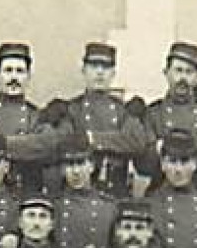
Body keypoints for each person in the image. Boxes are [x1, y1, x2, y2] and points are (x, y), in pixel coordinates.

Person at [46, 41, 149, 197]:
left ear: (113, 73)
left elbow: (137, 141)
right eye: (94, 66)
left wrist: (91, 139)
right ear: (83, 70)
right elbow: (64, 142)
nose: (100, 72)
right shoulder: (72, 110)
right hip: (77, 194)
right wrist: (116, 142)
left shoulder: (124, 111)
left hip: (115, 192)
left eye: (106, 67)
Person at [138, 42, 197, 195]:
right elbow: (143, 163)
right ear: (166, 73)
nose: (183, 78)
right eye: (178, 71)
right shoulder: (153, 113)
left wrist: (170, 144)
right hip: (160, 194)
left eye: (189, 72)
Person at [0, 42, 60, 192]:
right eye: (8, 70)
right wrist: (23, 144)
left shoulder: (38, 116)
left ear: (29, 76)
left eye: (20, 71)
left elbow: (46, 146)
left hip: (27, 194)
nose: (14, 77)